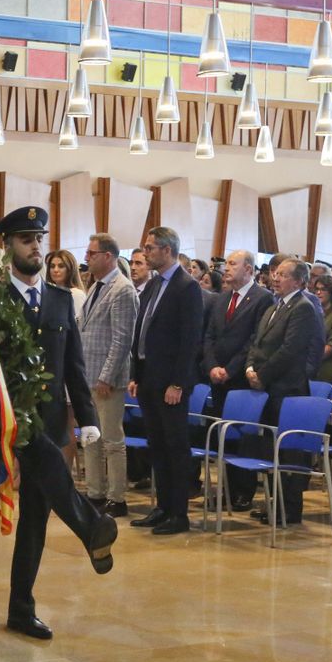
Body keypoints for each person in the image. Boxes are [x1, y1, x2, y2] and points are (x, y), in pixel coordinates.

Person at [0, 207, 116, 639]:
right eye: (26, 238)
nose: (35, 246)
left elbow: (73, 368)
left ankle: (20, 609)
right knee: (49, 470)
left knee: (35, 517)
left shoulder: (62, 300)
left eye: (39, 238)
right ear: (8, 245)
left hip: (49, 419)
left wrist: (86, 419)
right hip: (9, 420)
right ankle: (91, 526)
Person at [128, 226, 206, 535]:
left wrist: (179, 384)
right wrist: (136, 373)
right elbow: (142, 331)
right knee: (156, 445)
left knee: (175, 447)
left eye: (150, 248)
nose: (145, 252)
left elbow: (189, 341)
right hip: (149, 378)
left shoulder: (186, 287)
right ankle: (161, 507)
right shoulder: (152, 284)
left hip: (170, 383)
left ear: (167, 250)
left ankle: (179, 513)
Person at [243, 258, 320, 525]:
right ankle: (273, 502)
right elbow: (257, 342)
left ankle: (289, 508)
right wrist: (250, 367)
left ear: (298, 281)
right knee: (269, 449)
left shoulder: (303, 308)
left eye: (284, 275)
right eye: (276, 273)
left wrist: (262, 375)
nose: (276, 278)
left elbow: (290, 350)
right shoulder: (274, 306)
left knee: (289, 452)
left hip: (287, 388)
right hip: (268, 387)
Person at [203, 249, 274, 511]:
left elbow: (254, 340)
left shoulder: (262, 298)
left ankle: (243, 491)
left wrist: (229, 370)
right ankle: (227, 490)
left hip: (242, 379)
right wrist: (212, 366)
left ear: (248, 269)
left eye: (233, 264)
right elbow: (209, 337)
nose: (226, 268)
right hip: (218, 378)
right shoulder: (222, 299)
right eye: (226, 264)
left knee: (244, 437)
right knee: (224, 435)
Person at [80, 232, 138, 516]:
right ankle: (95, 492)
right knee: (91, 437)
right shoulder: (95, 286)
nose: (86, 258)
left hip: (107, 380)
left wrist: (106, 376)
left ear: (108, 256)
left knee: (112, 440)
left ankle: (117, 497)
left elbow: (121, 339)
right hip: (88, 374)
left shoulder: (122, 289)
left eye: (92, 253)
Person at [46, 249, 86, 320]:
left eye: (61, 266)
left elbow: (78, 325)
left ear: (70, 269)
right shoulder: (47, 293)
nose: (55, 270)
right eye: (52, 266)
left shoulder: (76, 294)